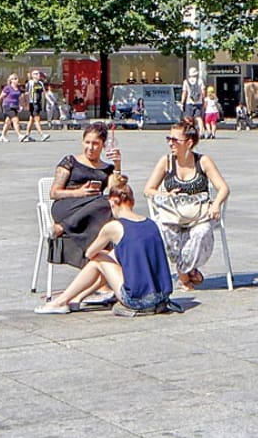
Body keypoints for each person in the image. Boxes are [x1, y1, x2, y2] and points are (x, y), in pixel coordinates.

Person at [35, 177, 179, 316]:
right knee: (110, 257)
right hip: (162, 297)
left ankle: (60, 302)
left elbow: (89, 254)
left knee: (99, 258)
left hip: (138, 300)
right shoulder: (150, 223)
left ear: (112, 203)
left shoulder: (114, 227)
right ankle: (76, 298)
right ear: (132, 202)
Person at [144, 118, 229, 292]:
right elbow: (148, 190)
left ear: (189, 143)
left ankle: (183, 272)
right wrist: (165, 194)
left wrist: (216, 204)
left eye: (175, 140)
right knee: (161, 230)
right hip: (173, 214)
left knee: (201, 233)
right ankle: (188, 271)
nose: (170, 143)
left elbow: (223, 188)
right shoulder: (166, 162)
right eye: (169, 139)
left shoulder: (203, 161)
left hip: (200, 215)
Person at [48, 121, 123, 270]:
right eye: (87, 142)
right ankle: (100, 272)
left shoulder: (107, 168)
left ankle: (97, 269)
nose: (90, 147)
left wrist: (117, 165)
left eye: (95, 143)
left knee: (107, 203)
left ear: (103, 145)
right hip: (67, 206)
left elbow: (116, 190)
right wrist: (78, 192)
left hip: (92, 213)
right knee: (104, 204)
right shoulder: (70, 161)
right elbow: (54, 193)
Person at [0, 74, 24, 142]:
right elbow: (1, 97)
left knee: (8, 122)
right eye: (14, 79)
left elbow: (19, 98)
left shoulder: (18, 88)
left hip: (15, 106)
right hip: (8, 106)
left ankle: (2, 136)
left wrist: (20, 105)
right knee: (15, 120)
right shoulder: (7, 88)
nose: (16, 80)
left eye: (17, 78)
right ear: (11, 80)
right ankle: (19, 135)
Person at [21, 69, 50, 143]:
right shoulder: (30, 83)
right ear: (32, 75)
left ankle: (27, 135)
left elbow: (44, 93)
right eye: (36, 74)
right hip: (32, 103)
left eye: (38, 73)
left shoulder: (40, 83)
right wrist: (25, 104)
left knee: (31, 120)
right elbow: (26, 94)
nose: (38, 75)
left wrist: (50, 101)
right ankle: (42, 134)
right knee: (37, 119)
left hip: (38, 103)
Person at [180, 66, 205, 134]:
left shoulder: (186, 81)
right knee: (199, 118)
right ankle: (201, 132)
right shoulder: (200, 81)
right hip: (198, 102)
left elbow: (184, 93)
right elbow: (203, 92)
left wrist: (182, 103)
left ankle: (188, 130)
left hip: (189, 102)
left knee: (188, 118)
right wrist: (203, 101)